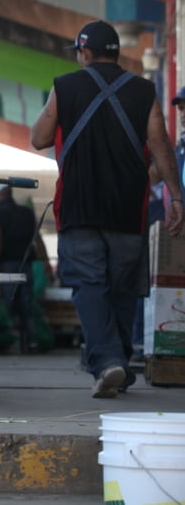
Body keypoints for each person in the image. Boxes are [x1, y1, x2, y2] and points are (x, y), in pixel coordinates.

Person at [29, 20, 183, 399]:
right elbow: (161, 145)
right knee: (122, 289)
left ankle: (108, 360)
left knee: (89, 285)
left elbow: (38, 138)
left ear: (83, 52)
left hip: (79, 206)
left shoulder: (64, 86)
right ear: (116, 52)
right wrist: (177, 197)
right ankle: (119, 366)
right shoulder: (144, 90)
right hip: (128, 209)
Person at [0, 187, 40, 352]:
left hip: (7, 264)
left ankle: (7, 341)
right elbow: (36, 237)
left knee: (7, 304)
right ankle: (32, 341)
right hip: (26, 263)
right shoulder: (26, 212)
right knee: (27, 304)